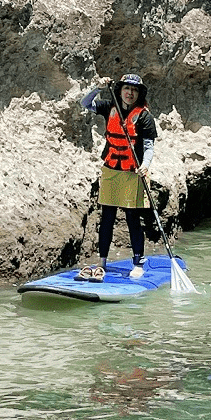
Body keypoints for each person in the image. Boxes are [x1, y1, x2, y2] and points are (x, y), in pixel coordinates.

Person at [78, 73, 157, 282]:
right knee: (107, 217)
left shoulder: (144, 117)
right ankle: (102, 262)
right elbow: (84, 103)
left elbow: (149, 147)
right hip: (111, 170)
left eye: (134, 90)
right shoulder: (108, 106)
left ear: (139, 94)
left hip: (133, 172)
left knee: (132, 218)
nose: (130, 93)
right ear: (120, 90)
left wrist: (145, 166)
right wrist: (98, 88)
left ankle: (138, 263)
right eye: (126, 89)